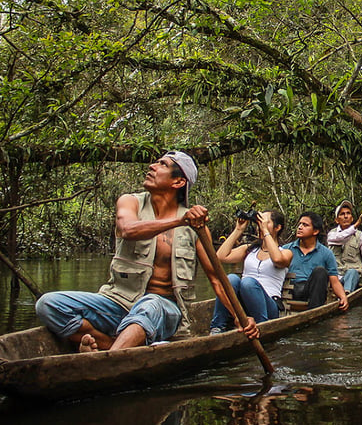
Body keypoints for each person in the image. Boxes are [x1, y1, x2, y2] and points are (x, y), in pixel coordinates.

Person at [35, 151, 257, 352]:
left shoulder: (196, 228)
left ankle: (106, 360)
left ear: (179, 181)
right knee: (48, 305)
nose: (152, 166)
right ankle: (111, 346)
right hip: (118, 302)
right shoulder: (130, 202)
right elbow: (127, 229)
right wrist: (179, 220)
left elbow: (216, 280)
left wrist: (240, 317)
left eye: (162, 164)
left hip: (164, 309)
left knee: (150, 304)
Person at [209, 210, 292, 332]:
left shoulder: (285, 252)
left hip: (269, 305)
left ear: (278, 227)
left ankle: (261, 327)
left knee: (248, 282)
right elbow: (220, 257)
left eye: (265, 222)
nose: (260, 225)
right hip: (244, 305)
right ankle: (217, 327)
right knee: (231, 278)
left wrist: (265, 231)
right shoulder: (249, 249)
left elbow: (277, 260)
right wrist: (238, 230)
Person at [280, 212, 348, 311]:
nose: (300, 227)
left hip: (312, 292)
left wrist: (343, 297)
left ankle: (314, 312)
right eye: (300, 224)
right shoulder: (286, 250)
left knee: (320, 271)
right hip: (290, 291)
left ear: (315, 231)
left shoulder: (326, 253)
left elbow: (335, 281)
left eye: (305, 225)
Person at [326, 200, 362, 293]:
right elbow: (341, 237)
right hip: (335, 278)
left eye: (348, 213)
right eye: (342, 214)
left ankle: (346, 294)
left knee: (352, 272)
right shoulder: (332, 235)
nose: (345, 216)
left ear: (351, 218)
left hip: (353, 276)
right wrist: (358, 223)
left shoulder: (360, 235)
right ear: (337, 220)